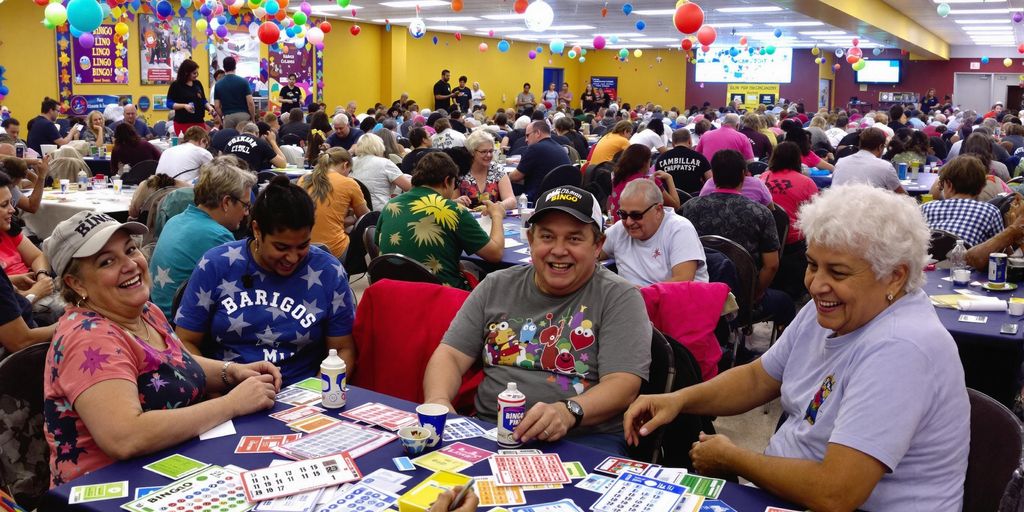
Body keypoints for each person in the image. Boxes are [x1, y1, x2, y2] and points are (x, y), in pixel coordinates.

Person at [625, 184, 969, 511]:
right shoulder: (836, 311)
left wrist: (734, 458)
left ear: (895, 276)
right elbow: (759, 378)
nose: (816, 285)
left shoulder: (901, 348)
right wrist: (679, 399)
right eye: (812, 264)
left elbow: (837, 493)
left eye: (838, 272)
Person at [40, 210, 281, 486]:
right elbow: (126, 437)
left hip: (170, 465)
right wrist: (231, 404)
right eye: (107, 262)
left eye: (131, 250)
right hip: (109, 490)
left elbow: (174, 364)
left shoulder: (144, 311)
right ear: (76, 283)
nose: (130, 264)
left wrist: (233, 372)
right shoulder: (89, 339)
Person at [423, 185, 651, 455]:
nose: (558, 250)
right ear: (531, 240)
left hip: (583, 441)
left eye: (574, 239)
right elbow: (449, 355)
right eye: (547, 236)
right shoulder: (496, 285)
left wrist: (568, 412)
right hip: (489, 432)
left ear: (598, 245)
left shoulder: (619, 297)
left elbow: (623, 385)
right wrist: (438, 402)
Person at [174, 177, 357, 385]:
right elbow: (184, 341)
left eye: (303, 245)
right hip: (227, 392)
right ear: (257, 230)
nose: (293, 257)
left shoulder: (329, 271)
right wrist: (215, 394)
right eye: (281, 247)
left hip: (303, 395)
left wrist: (314, 398)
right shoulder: (216, 264)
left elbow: (343, 349)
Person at [681, 150, 794, 327]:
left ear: (713, 175)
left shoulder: (689, 208)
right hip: (741, 296)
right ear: (743, 174)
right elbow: (771, 265)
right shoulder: (760, 212)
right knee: (786, 303)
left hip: (699, 292)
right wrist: (753, 296)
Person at [377, 152, 505, 289]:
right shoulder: (453, 211)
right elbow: (495, 254)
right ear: (447, 181)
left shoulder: (390, 206)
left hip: (393, 293)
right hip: (441, 297)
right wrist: (497, 215)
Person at [149, 158, 256, 317]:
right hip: (180, 326)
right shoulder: (218, 237)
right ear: (226, 202)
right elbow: (244, 292)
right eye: (245, 205)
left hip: (158, 316)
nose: (246, 213)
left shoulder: (175, 220)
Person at [601, 179, 708, 286]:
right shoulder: (620, 229)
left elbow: (683, 282)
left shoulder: (680, 229)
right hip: (630, 299)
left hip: (674, 300)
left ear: (658, 210)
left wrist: (638, 293)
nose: (629, 222)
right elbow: (592, 251)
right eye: (623, 214)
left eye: (636, 215)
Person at [759, 142, 819, 299]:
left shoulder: (762, 179)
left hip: (763, 243)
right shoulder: (806, 182)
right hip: (794, 246)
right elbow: (816, 216)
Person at [300, 147, 370, 259]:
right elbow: (366, 216)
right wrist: (351, 219)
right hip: (334, 250)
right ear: (345, 165)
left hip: (302, 247)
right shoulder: (349, 183)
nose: (348, 174)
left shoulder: (303, 179)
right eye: (349, 171)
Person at [921, 155, 1004, 247]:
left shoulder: (926, 207)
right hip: (968, 259)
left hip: (929, 258)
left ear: (949, 185)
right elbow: (1000, 248)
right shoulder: (991, 211)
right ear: (981, 188)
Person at [608, 144, 680, 223]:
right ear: (645, 162)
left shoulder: (616, 179)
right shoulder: (649, 182)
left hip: (618, 226)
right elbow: (676, 206)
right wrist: (669, 178)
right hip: (639, 228)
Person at [508, 121, 571, 202]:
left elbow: (515, 176)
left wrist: (503, 176)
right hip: (559, 197)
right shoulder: (560, 148)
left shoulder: (535, 148)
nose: (526, 140)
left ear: (537, 133)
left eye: (527, 135)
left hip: (537, 198)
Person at [831, 127, 906, 193]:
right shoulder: (885, 167)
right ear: (880, 147)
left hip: (838, 207)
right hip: (868, 207)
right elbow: (903, 196)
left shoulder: (840, 163)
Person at [0, 265, 54, 355]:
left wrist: (9, 281)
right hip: (19, 353)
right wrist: (70, 324)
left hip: (26, 316)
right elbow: (20, 342)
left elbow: (37, 256)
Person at [455, 130, 516, 210]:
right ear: (472, 152)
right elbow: (451, 202)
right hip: (466, 219)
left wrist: (497, 206)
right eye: (483, 152)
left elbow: (511, 200)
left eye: (491, 151)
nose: (489, 155)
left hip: (492, 218)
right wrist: (457, 202)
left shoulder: (497, 169)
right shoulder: (460, 171)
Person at [351, 132, 412, 211]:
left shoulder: (350, 163)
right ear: (379, 146)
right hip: (381, 210)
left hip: (357, 212)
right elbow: (409, 188)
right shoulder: (385, 163)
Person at [166, 59, 215, 136]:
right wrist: (184, 106)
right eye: (194, 73)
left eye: (197, 73)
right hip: (182, 123)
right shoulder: (176, 85)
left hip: (199, 122)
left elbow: (203, 100)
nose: (196, 75)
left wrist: (209, 107)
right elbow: (169, 104)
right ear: (186, 73)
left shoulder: (198, 84)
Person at [655, 129, 711, 195]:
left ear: (673, 143)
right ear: (690, 141)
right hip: (694, 199)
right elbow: (710, 180)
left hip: (670, 201)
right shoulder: (700, 158)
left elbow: (656, 182)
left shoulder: (661, 158)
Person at [215, 57, 256, 131]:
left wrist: (224, 116)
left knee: (230, 140)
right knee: (244, 139)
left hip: (228, 117)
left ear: (224, 67)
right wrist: (253, 118)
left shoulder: (218, 84)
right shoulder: (243, 82)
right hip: (244, 117)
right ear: (235, 66)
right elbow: (250, 103)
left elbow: (217, 106)